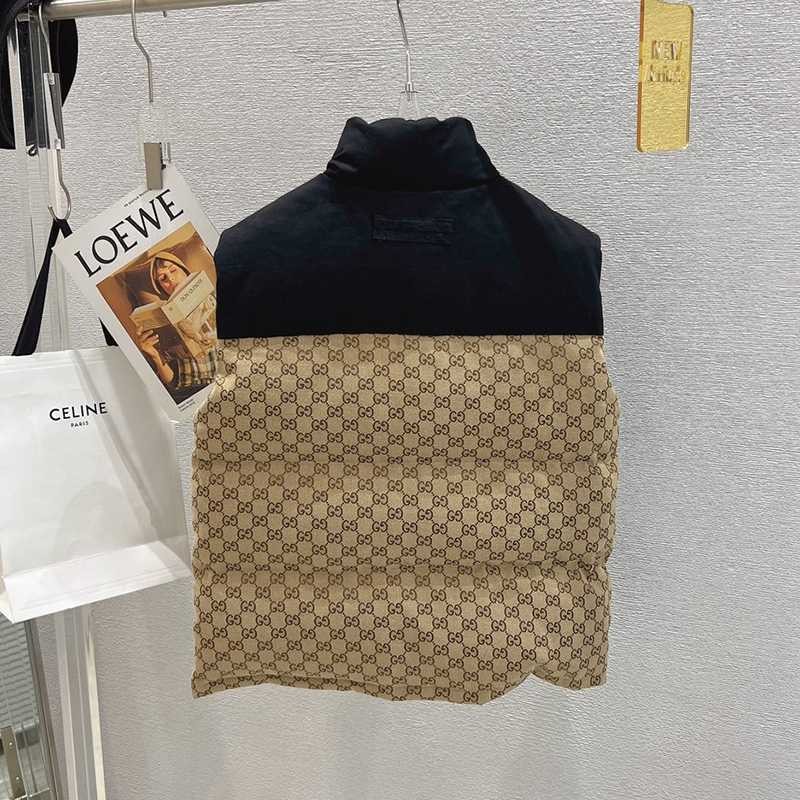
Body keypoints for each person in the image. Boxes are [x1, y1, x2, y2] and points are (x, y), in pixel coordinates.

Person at [135, 252, 217, 393]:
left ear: (185, 271)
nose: (171, 279)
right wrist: (154, 354)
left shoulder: (214, 294)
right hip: (192, 389)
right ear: (161, 288)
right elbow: (172, 380)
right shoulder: (165, 317)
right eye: (163, 279)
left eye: (173, 270)